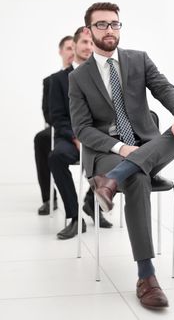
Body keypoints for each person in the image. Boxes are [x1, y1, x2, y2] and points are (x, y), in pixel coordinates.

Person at [69, 2, 174, 310]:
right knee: (138, 176)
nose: (109, 30)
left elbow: (164, 88)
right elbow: (82, 129)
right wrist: (122, 149)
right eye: (101, 25)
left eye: (115, 24)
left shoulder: (139, 60)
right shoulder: (79, 78)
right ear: (89, 30)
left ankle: (111, 182)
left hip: (146, 144)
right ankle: (146, 276)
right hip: (106, 152)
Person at [49, 27, 112, 240]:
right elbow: (57, 117)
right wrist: (76, 137)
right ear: (74, 46)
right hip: (70, 138)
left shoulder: (104, 76)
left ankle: (91, 203)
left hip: (96, 137)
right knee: (56, 158)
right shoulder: (56, 80)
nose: (88, 47)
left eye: (92, 43)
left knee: (117, 156)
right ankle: (75, 216)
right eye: (84, 42)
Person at [34, 36, 74, 215]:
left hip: (86, 126)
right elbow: (48, 113)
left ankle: (93, 199)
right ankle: (49, 198)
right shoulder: (51, 81)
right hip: (61, 126)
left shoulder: (89, 76)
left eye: (74, 47)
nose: (72, 51)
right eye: (68, 48)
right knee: (42, 139)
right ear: (60, 52)